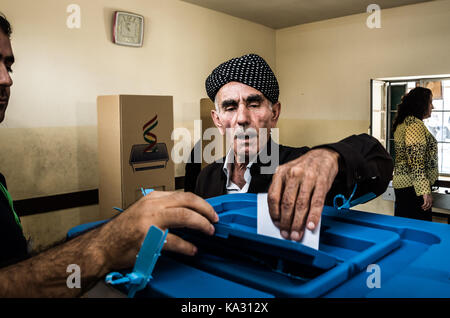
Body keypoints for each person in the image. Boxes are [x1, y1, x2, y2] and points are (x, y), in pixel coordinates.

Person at [0, 14, 218, 297]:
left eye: (9, 66)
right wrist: (107, 243)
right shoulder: (208, 171)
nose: (6, 80)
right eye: (229, 108)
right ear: (217, 116)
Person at [190, 54, 393, 241]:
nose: (242, 118)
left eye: (253, 104)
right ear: (218, 120)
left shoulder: (302, 166)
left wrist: (332, 156)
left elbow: (378, 161)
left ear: (275, 113)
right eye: (230, 107)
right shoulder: (206, 177)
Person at [392, 87, 438, 221]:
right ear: (421, 104)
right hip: (413, 188)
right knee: (419, 231)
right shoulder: (414, 125)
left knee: (406, 227)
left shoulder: (405, 122)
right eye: (430, 102)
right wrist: (424, 191)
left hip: (405, 185)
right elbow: (416, 161)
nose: (432, 107)